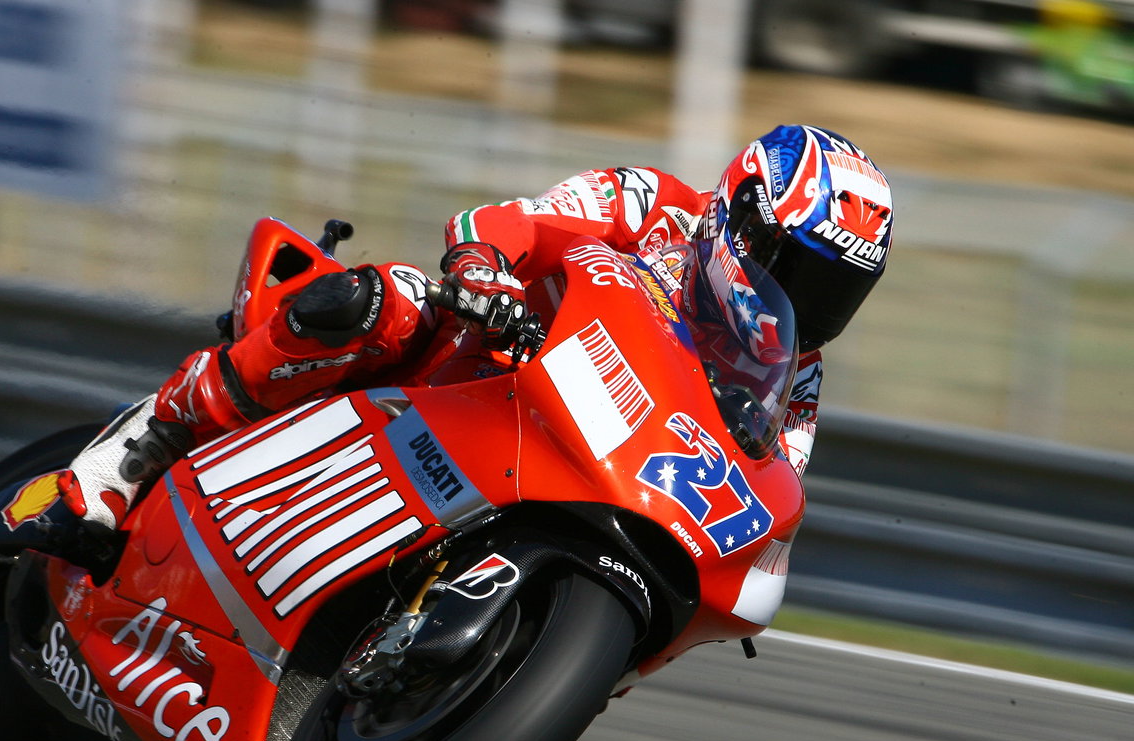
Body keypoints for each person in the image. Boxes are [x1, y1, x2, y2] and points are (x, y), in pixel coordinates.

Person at [56, 124, 894, 535]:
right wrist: (486, 276)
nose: (807, 303)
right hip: (471, 369)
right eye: (799, 270)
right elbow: (511, 221)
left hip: (574, 477)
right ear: (742, 216)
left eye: (838, 291)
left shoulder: (798, 375)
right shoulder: (654, 207)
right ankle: (151, 439)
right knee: (382, 299)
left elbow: (768, 485)